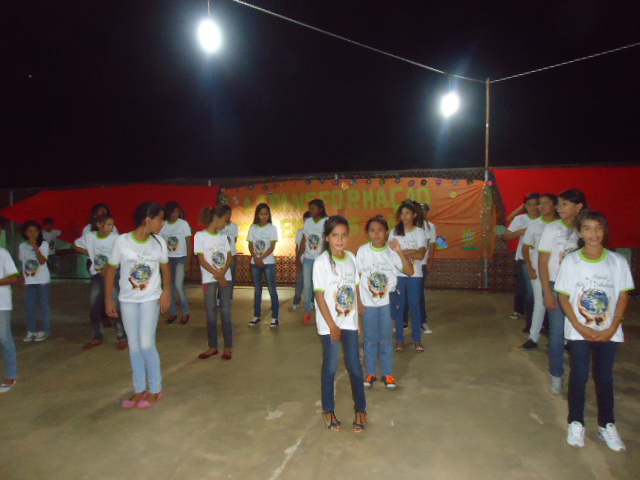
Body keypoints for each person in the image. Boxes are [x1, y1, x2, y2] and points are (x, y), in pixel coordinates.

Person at [554, 211, 633, 451]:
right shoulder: (571, 261)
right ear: (579, 233)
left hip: (609, 331)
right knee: (579, 375)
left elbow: (623, 296)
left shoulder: (617, 262)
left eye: (598, 228)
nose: (593, 233)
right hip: (579, 332)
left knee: (604, 377)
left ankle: (606, 425)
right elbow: (564, 297)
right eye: (587, 228)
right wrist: (579, 327)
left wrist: (613, 327)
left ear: (605, 230)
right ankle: (576, 422)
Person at [104, 202, 171, 408]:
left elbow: (166, 270)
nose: (163, 224)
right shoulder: (122, 241)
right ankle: (139, 389)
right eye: (160, 219)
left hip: (150, 298)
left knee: (146, 344)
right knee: (134, 346)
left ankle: (155, 389)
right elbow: (111, 271)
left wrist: (166, 292)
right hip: (127, 299)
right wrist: (108, 298)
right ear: (148, 220)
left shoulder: (159, 243)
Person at [313, 216, 367, 432]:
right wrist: (332, 326)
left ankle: (361, 410)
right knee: (331, 367)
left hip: (349, 322)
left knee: (355, 366)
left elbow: (355, 288)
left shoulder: (352, 258)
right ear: (327, 238)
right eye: (335, 235)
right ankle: (328, 410)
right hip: (330, 325)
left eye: (344, 235)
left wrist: (357, 319)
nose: (340, 239)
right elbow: (319, 297)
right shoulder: (321, 263)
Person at [538, 189, 587, 395]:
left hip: (580, 289)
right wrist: (547, 292)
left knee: (578, 333)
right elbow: (543, 262)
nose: (559, 208)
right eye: (558, 204)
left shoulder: (586, 228)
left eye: (564, 204)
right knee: (557, 334)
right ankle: (556, 374)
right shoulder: (551, 229)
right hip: (556, 286)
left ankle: (579, 376)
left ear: (579, 207)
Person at [357, 216, 413, 390]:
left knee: (387, 338)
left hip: (387, 303)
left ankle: (387, 374)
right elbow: (356, 278)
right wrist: (359, 301)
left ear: (387, 232)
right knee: (370, 339)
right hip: (368, 302)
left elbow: (410, 271)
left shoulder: (391, 252)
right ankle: (371, 373)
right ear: (368, 233)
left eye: (380, 230)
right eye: (372, 230)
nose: (376, 234)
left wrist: (400, 252)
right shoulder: (363, 251)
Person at [74, 213, 127, 351]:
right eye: (109, 225)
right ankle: (97, 336)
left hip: (112, 275)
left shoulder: (116, 238)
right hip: (97, 276)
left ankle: (122, 337)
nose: (112, 228)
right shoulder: (90, 237)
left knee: (114, 307)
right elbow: (75, 245)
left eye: (112, 225)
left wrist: (109, 268)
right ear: (99, 225)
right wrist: (90, 254)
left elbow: (123, 254)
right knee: (94, 308)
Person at [195, 206, 234, 361]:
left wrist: (222, 273)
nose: (226, 224)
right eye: (225, 221)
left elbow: (230, 257)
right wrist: (217, 274)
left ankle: (228, 347)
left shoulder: (223, 237)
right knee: (211, 312)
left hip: (225, 278)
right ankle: (213, 346)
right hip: (210, 279)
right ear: (216, 219)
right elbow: (202, 260)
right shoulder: (200, 236)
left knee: (226, 311)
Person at [520, 193, 557, 350]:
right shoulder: (535, 225)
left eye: (546, 203)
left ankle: (563, 340)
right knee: (539, 304)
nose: (541, 207)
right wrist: (530, 268)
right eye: (540, 203)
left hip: (558, 272)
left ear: (555, 206)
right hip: (538, 270)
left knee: (560, 305)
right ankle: (533, 337)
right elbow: (525, 248)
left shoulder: (562, 225)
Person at [389, 201, 427, 353]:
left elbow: (421, 254)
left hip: (415, 275)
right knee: (399, 307)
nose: (404, 216)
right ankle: (400, 340)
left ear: (414, 215)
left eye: (407, 213)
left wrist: (401, 252)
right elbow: (391, 254)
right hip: (398, 274)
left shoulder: (419, 232)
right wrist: (411, 251)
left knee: (414, 306)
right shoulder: (394, 232)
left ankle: (417, 340)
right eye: (402, 213)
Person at [502, 193, 539, 328]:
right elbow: (506, 237)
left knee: (536, 290)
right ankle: (522, 312)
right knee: (524, 288)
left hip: (543, 259)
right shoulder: (520, 219)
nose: (533, 207)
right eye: (529, 205)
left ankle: (535, 316)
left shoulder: (546, 220)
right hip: (524, 258)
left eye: (536, 204)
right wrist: (520, 232)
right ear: (525, 206)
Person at [247, 203, 280, 328]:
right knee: (257, 290)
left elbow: (272, 247)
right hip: (255, 262)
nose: (264, 216)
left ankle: (275, 317)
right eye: (261, 214)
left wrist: (261, 258)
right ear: (257, 215)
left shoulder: (272, 228)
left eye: (266, 214)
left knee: (272, 290)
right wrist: (256, 258)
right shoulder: (253, 228)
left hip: (268, 262)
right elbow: (250, 245)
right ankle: (256, 315)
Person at [160, 201, 192, 325]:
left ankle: (185, 312)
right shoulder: (163, 225)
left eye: (177, 211)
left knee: (178, 285)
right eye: (173, 212)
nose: (175, 214)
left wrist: (188, 261)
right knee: (169, 287)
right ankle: (172, 312)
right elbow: (161, 244)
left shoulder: (183, 224)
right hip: (168, 259)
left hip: (181, 258)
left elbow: (189, 243)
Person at [19, 221, 51, 342]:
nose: (33, 234)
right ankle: (31, 330)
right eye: (30, 231)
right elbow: (23, 262)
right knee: (30, 306)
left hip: (42, 280)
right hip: (29, 279)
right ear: (25, 233)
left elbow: (42, 261)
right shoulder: (22, 246)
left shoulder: (44, 244)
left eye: (35, 231)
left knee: (44, 305)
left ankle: (45, 330)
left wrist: (35, 247)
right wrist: (22, 278)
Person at [298, 199, 328, 325]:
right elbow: (304, 240)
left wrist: (324, 257)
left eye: (314, 208)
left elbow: (327, 241)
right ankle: (308, 311)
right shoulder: (308, 222)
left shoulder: (326, 222)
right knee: (307, 285)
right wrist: (299, 255)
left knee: (319, 286)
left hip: (320, 259)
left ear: (320, 209)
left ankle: (321, 311)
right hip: (308, 258)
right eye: (310, 209)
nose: (311, 211)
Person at [0, 217, 19, 393]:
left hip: (2, 303)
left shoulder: (3, 254)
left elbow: (14, 277)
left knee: (4, 337)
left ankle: (11, 374)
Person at [289, 211, 311, 311]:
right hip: (303, 261)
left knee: (313, 283)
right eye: (305, 221)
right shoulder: (300, 232)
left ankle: (312, 302)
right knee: (299, 282)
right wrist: (297, 258)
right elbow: (298, 246)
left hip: (313, 261)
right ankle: (296, 302)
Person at [419, 203, 436, 334]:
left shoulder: (430, 226)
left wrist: (430, 261)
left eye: (424, 210)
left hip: (422, 263)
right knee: (404, 293)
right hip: (408, 264)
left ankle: (422, 322)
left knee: (420, 293)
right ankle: (403, 321)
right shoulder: (410, 226)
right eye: (420, 210)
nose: (422, 212)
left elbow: (432, 245)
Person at [219, 205, 238, 300]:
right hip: (221, 255)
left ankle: (229, 296)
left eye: (229, 213)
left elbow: (235, 239)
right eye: (225, 214)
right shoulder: (219, 226)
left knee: (231, 277)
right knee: (221, 275)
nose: (228, 216)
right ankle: (220, 297)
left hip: (232, 254)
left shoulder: (234, 226)